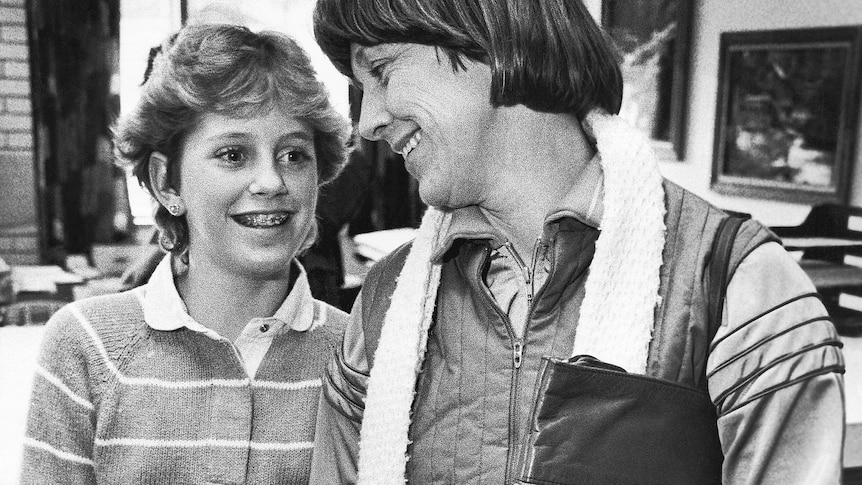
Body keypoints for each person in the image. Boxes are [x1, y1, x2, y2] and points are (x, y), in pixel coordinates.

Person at [308, 1, 846, 484]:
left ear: (492, 40)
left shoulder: (733, 280)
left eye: (380, 71)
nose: (369, 122)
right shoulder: (387, 300)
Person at [21, 23, 352, 484]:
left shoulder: (358, 356)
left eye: (294, 155)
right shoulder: (88, 349)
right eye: (233, 154)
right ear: (166, 183)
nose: (272, 181)